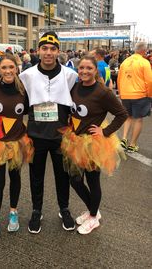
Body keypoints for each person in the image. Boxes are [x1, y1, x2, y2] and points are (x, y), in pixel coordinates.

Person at [60, 55, 127, 235]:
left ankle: (92, 217)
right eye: (81, 68)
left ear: (95, 70)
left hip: (92, 144)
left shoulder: (102, 92)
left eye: (89, 68)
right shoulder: (75, 86)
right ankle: (93, 211)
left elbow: (122, 114)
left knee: (92, 180)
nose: (84, 71)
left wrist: (104, 132)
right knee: (74, 180)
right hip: (74, 140)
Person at [19, 31, 78, 234]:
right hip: (36, 136)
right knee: (36, 176)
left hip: (61, 136)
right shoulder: (27, 76)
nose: (48, 52)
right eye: (45, 48)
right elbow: (19, 105)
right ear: (38, 50)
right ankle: (37, 210)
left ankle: (64, 208)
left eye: (53, 49)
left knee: (62, 176)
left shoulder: (71, 76)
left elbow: (81, 103)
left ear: (58, 51)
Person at [0, 53, 33, 243]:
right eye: (4, 67)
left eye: (11, 67)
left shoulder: (23, 89)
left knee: (15, 178)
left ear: (16, 68)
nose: (8, 71)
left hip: (18, 142)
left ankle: (13, 211)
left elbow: (29, 111)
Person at [118, 42, 152, 152]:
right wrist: (149, 94)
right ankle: (132, 144)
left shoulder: (125, 62)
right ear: (144, 51)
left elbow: (119, 79)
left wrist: (121, 93)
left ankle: (124, 139)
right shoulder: (144, 62)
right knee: (138, 119)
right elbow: (150, 80)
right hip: (140, 94)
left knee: (128, 117)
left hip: (125, 94)